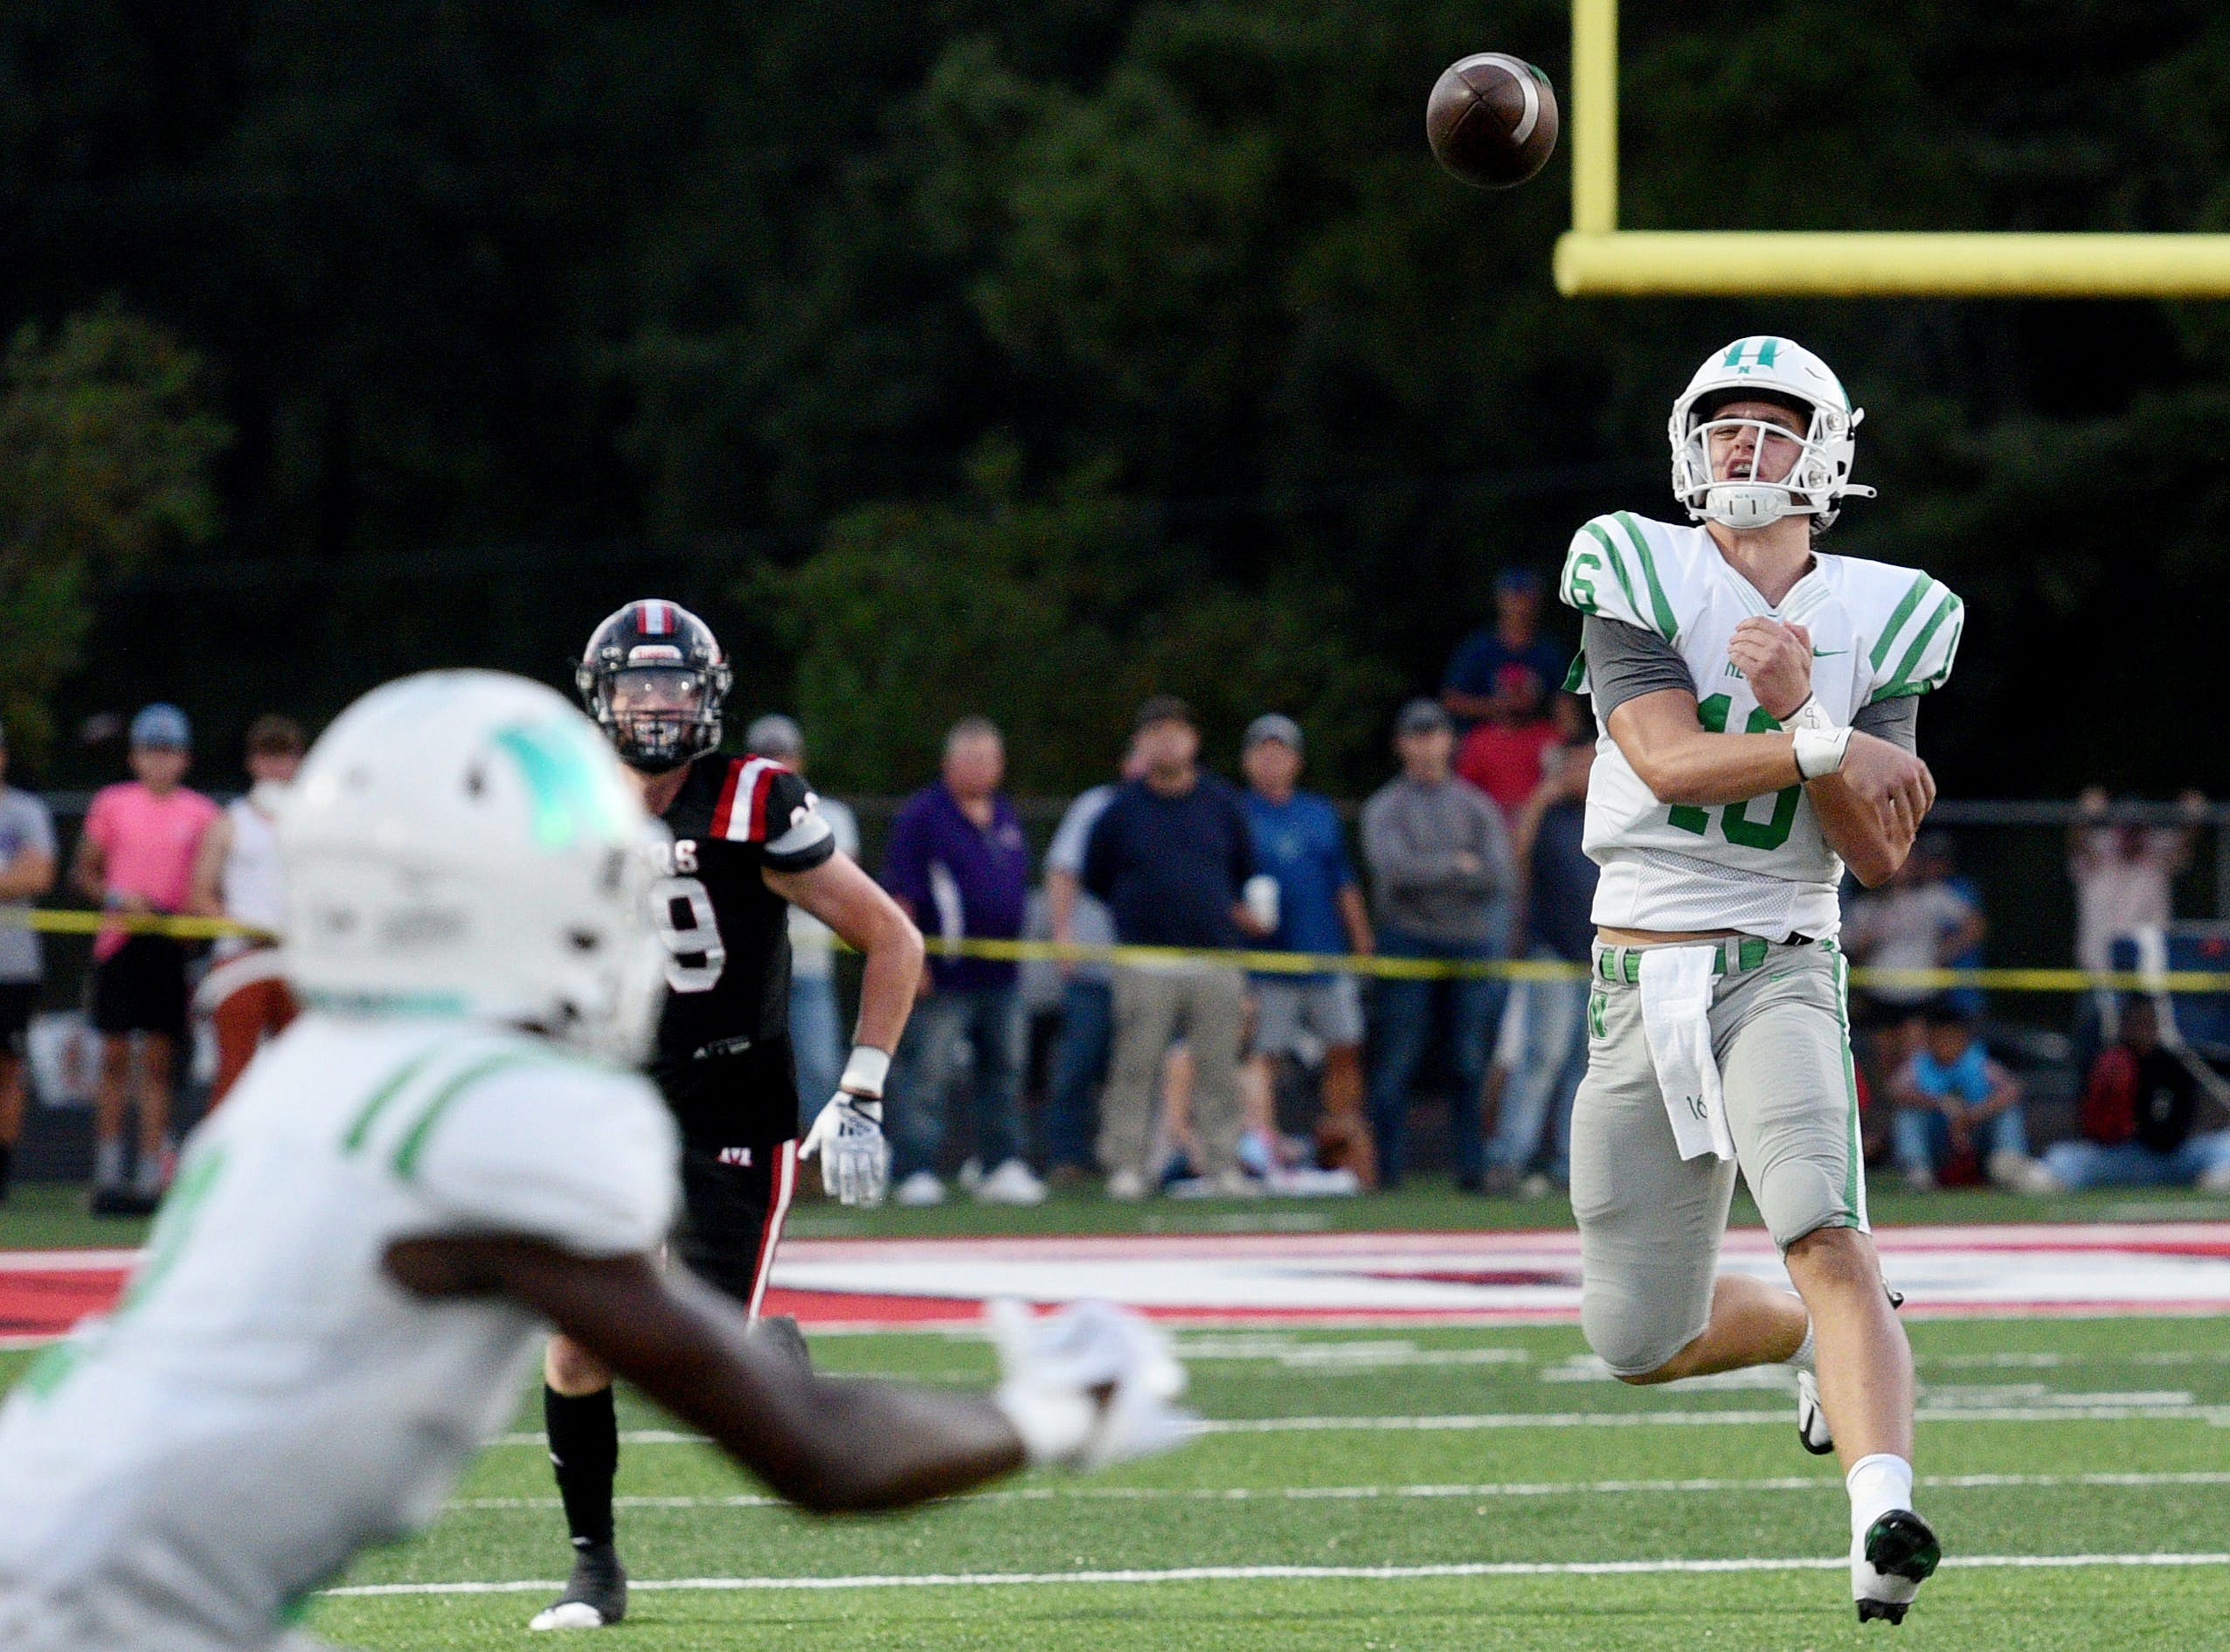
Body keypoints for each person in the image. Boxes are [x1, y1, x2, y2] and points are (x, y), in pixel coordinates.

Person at [0, 670, 1191, 1652]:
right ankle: (599, 1551)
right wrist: (1047, 1408)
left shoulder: (317, 1074)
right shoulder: (504, 1120)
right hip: (106, 1604)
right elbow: (818, 1451)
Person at [1557, 337, 1958, 1621]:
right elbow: (1667, 760)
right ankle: (1799, 1340)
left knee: (1824, 1229)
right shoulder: (1632, 560)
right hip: (1638, 970)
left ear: (1827, 456)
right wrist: (1819, 732)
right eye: (1724, 421)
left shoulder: (1894, 610)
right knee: (1635, 1341)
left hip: (1782, 956)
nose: (1744, 444)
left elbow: (1878, 851)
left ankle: (1880, 1514)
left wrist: (1824, 743)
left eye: (1774, 427)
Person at [535, 598, 926, 1629]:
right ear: (600, 698)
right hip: (615, 1098)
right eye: (636, 688)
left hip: (730, 1101)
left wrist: (861, 1090)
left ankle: (764, 1352)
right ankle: (593, 1568)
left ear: (707, 698)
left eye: (672, 687)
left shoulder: (754, 798)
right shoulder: (564, 806)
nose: (654, 708)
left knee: (707, 1373)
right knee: (578, 1342)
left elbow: (892, 938)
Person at [1082, 696, 1270, 1199]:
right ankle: (1127, 1166)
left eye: (1176, 731)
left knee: (1219, 1069)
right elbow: (1096, 877)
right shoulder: (1120, 810)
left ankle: (1223, 1166)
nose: (1167, 741)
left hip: (1215, 957)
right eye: (1156, 732)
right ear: (1141, 743)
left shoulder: (1222, 803)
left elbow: (1242, 871)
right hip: (1145, 959)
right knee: (1134, 1068)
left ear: (1194, 740)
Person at [882, 717, 1043, 1208]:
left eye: (990, 759)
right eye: (971, 758)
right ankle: (913, 1167)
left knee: (1004, 1072)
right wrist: (914, 962)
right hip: (945, 974)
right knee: (927, 1073)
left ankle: (999, 1164)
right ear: (949, 763)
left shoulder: (1005, 814)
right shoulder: (923, 816)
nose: (981, 768)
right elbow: (900, 894)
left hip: (1001, 974)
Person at [71, 703, 222, 1212]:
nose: (160, 762)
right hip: (120, 941)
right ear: (135, 758)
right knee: (114, 1056)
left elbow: (210, 881)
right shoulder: (113, 803)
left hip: (170, 943)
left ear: (184, 759)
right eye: (150, 752)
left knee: (159, 1061)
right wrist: (119, 898)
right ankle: (108, 1168)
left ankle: (147, 1170)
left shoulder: (201, 812)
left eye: (169, 752)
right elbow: (85, 873)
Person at [1360, 698, 1513, 1189]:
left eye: (1434, 735)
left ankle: (1471, 1171)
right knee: (1398, 1058)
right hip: (1406, 942)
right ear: (1401, 745)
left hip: (1470, 944)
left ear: (1449, 742)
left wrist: (1431, 870)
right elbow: (1392, 872)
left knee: (1470, 1060)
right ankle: (1389, 1172)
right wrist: (1456, 866)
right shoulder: (1384, 806)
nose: (1425, 746)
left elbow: (1498, 875)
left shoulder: (1476, 805)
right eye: (1415, 736)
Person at [1238, 715, 1376, 1185]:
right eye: (1263, 750)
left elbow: (1343, 881)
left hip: (1323, 956)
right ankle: (1264, 1148)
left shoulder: (1319, 813)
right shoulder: (1236, 813)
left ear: (1296, 761)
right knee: (1265, 1055)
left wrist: (1361, 941)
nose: (1272, 760)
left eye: (1281, 751)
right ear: (1248, 760)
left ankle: (1342, 1143)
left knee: (1344, 1049)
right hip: (1267, 963)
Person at [1481, 693, 1598, 1196]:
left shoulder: (1611, 812)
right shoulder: (1547, 812)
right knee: (1540, 1059)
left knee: (1585, 1066)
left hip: (1597, 953)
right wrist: (1542, 797)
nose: (1586, 770)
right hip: (1549, 949)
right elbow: (1515, 861)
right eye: (1579, 761)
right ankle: (1510, 1157)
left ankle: (1572, 1165)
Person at [742, 713, 860, 1128]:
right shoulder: (732, 819)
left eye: (784, 755)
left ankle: (816, 1162)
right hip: (748, 970)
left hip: (809, 967)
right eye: (767, 755)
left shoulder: (833, 816)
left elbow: (832, 890)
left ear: (799, 760)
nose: (777, 764)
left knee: (820, 1068)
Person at [1042, 738, 1148, 1183]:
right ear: (1126, 762)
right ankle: (1067, 1158)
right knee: (1079, 1063)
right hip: (1095, 963)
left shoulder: (1179, 808)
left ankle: (1131, 1159)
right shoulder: (1098, 806)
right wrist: (1062, 933)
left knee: (1137, 1070)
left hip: (1148, 967)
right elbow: (1063, 870)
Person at [188, 715, 306, 1106]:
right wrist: (239, 927)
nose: (275, 766)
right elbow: (200, 895)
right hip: (241, 958)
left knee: (301, 1071)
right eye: (267, 756)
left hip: (296, 958)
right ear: (252, 762)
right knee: (235, 1071)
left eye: (283, 756)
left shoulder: (315, 822)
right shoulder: (229, 822)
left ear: (298, 761)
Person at [2040, 998, 2230, 1192]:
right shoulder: (2107, 1062)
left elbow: (2174, 1133)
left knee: (2225, 1144)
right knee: (2063, 1156)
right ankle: (2037, 1178)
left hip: (2172, 1157)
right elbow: (2091, 1126)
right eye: (2136, 1023)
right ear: (2124, 1027)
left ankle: (2217, 1179)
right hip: (2123, 1157)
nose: (2142, 1031)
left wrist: (2145, 1125)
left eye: (2148, 1023)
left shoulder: (2172, 1064)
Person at [1840, 842, 1986, 1070]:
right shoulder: (1865, 908)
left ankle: (1917, 1103)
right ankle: (1891, 1104)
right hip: (1879, 994)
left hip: (1918, 993)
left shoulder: (1932, 898)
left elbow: (1975, 925)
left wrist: (1945, 952)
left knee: (1913, 1059)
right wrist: (1867, 943)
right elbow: (1848, 949)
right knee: (1885, 1059)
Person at [1883, 1007, 2045, 1192]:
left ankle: (2009, 1162)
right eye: (1940, 1039)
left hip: (1977, 1135)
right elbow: (1894, 1090)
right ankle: (1917, 1171)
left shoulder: (1978, 1061)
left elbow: (2013, 1089)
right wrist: (1938, 1103)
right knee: (1908, 1115)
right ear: (1930, 1040)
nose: (1945, 1045)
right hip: (1939, 1140)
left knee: (2008, 1111)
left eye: (1951, 1039)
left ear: (1964, 1040)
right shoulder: (1920, 1063)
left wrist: (1976, 1113)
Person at [0, 721, 57, 1204]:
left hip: (11, 964)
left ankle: (2, 1174)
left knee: (8, 1068)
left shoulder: (24, 811)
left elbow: (38, 874)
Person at [1441, 565, 1569, 732]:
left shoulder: (1548, 652)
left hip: (1536, 738)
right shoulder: (1478, 648)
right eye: (1513, 598)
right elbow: (1451, 701)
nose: (1520, 606)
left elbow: (1564, 704)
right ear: (1500, 600)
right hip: (1486, 738)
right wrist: (1498, 706)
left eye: (1526, 598)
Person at [1455, 662, 1562, 820]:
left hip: (1542, 823)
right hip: (1490, 822)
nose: (1515, 698)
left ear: (1535, 696)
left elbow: (1561, 785)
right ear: (1497, 696)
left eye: (1521, 691)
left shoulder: (1551, 736)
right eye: (1509, 691)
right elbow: (1464, 792)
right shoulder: (1479, 739)